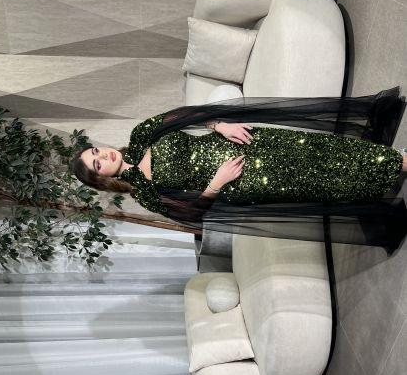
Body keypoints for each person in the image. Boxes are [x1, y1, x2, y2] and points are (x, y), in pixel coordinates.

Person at [70, 86, 407, 255]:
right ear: (103, 178)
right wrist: (216, 184)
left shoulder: (141, 134)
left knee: (320, 149)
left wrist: (219, 125)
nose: (104, 156)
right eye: (97, 164)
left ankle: (393, 162)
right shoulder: (144, 192)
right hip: (244, 181)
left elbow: (186, 115)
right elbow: (190, 213)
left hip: (246, 142)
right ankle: (385, 172)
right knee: (319, 181)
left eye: (96, 151)